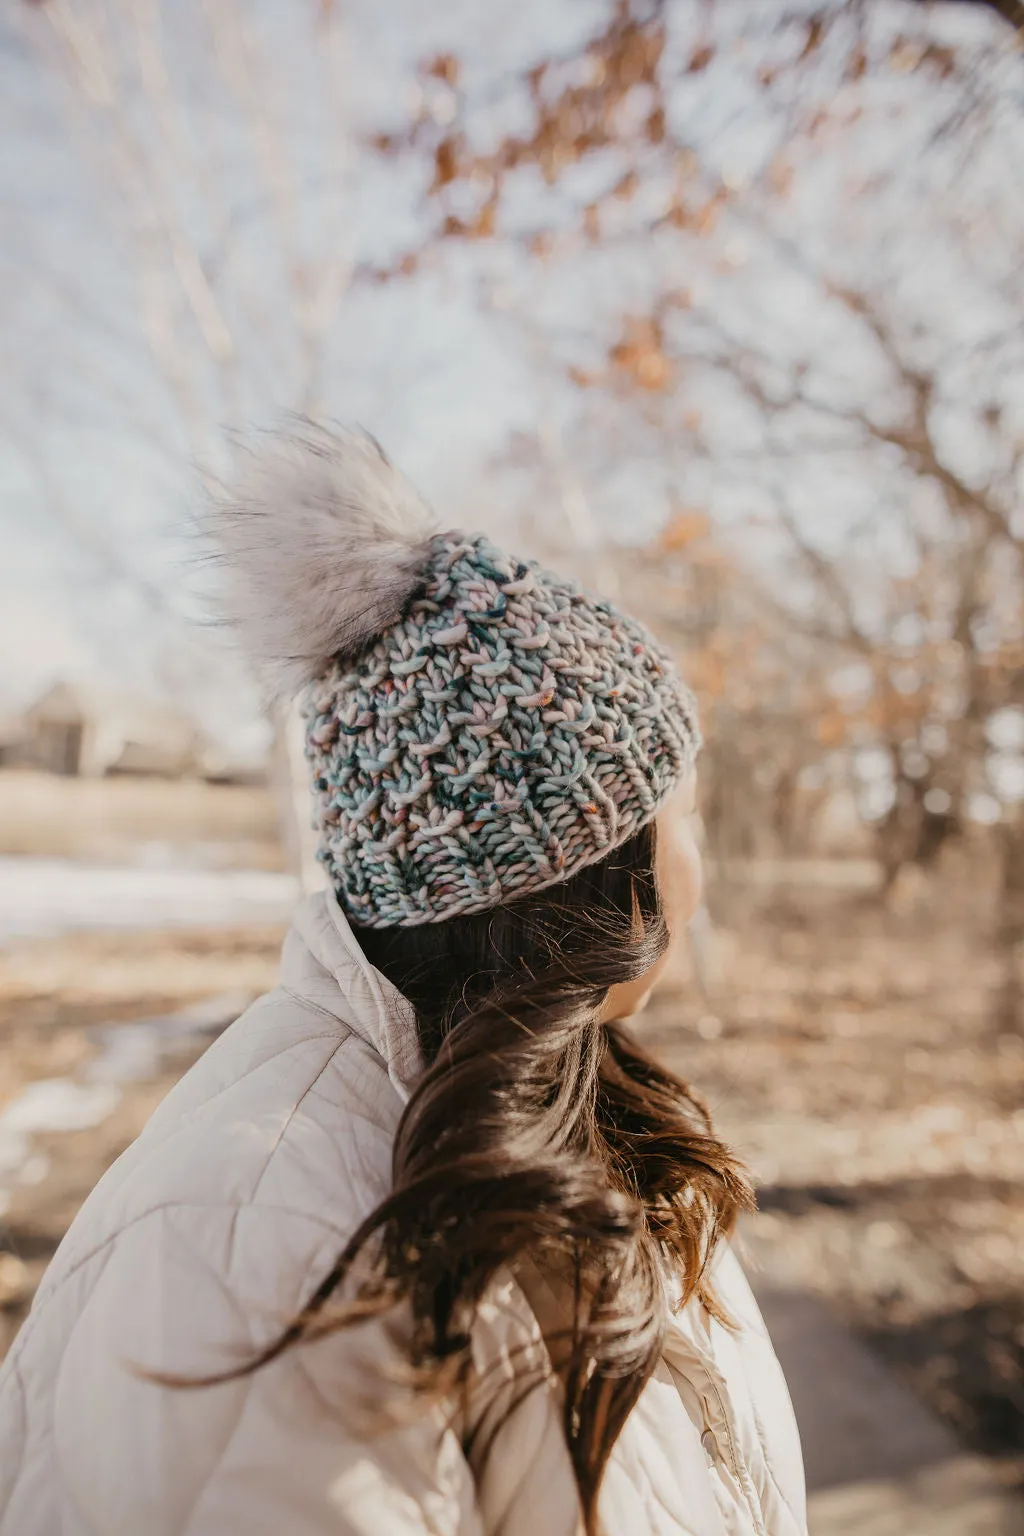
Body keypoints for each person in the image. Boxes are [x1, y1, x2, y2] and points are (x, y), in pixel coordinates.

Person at [0, 424, 806, 1536]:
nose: (703, 862)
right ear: (579, 874)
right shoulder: (264, 1255)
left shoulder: (558, 1096)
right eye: (689, 814)